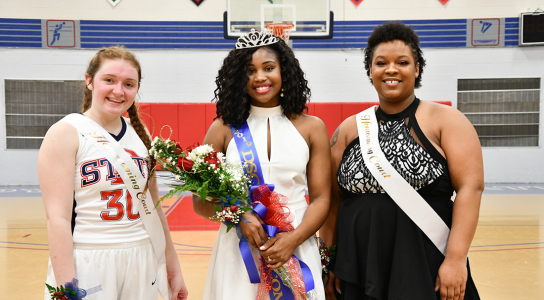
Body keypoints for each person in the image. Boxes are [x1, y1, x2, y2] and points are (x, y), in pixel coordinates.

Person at [319, 22, 483, 300]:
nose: (391, 69)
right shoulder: (348, 129)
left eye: (402, 62)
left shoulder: (447, 120)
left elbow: (471, 188)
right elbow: (334, 201)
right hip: (359, 262)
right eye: (381, 62)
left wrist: (455, 259)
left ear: (417, 69)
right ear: (370, 70)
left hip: (424, 262)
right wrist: (329, 259)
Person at [39, 46, 188, 300]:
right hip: (90, 259)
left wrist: (173, 267)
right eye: (109, 80)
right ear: (89, 81)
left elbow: (154, 208)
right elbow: (58, 220)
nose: (119, 91)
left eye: (129, 84)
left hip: (142, 258)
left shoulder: (141, 136)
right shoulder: (65, 132)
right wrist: (66, 287)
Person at [193, 29, 331, 299]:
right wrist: (237, 216)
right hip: (239, 252)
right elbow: (200, 204)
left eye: (268, 67)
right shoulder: (221, 129)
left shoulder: (312, 128)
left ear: (284, 71)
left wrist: (294, 239)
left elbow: (322, 198)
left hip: (295, 246)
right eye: (249, 70)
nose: (259, 77)